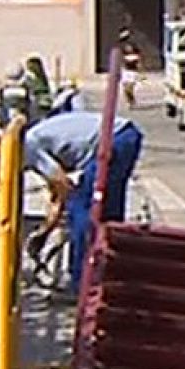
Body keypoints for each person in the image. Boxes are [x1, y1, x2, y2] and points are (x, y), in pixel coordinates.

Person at [20, 111, 144, 296]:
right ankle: (109, 277)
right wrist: (46, 229)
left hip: (113, 140)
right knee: (106, 214)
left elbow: (62, 186)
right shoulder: (34, 138)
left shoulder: (28, 148)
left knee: (81, 210)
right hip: (124, 136)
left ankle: (80, 285)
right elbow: (56, 193)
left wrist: (45, 232)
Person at [117, 30, 143, 109]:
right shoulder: (120, 46)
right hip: (125, 69)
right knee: (125, 87)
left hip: (133, 69)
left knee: (130, 87)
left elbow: (138, 56)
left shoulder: (134, 45)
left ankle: (131, 101)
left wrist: (139, 66)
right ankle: (130, 101)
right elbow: (120, 57)